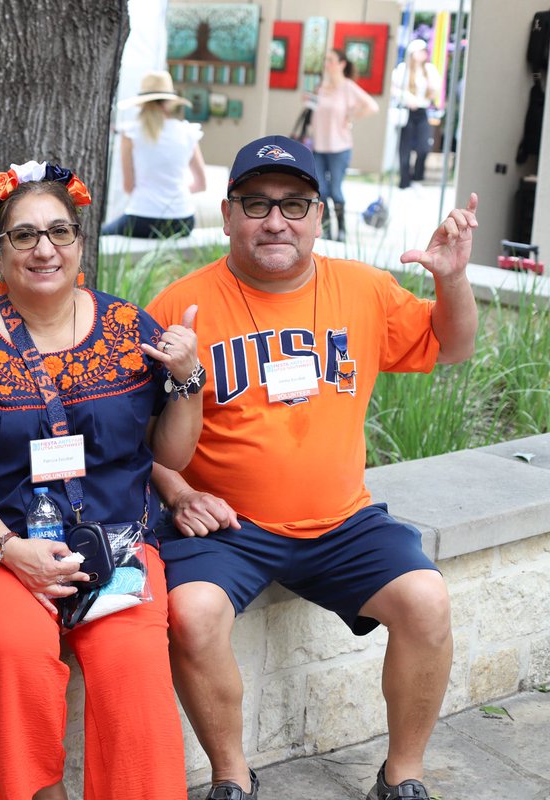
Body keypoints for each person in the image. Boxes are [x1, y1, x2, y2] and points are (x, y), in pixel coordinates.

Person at [146, 135, 478, 800]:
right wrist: (178, 491)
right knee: (192, 612)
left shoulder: (365, 289)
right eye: (258, 204)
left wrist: (452, 278)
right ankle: (233, 777)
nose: (276, 221)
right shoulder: (180, 304)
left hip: (342, 522)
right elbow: (134, 438)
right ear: (228, 212)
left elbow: (452, 346)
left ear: (319, 215)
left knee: (426, 600)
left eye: (294, 204)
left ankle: (401, 776)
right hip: (229, 526)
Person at [0, 160, 204, 799]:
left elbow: (172, 452)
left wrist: (187, 378)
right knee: (13, 654)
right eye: (24, 235)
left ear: (80, 242)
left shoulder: (132, 328)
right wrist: (8, 548)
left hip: (116, 542)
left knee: (133, 669)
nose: (45, 248)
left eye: (60, 231)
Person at [102, 71, 207, 239]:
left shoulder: (131, 133)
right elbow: (201, 184)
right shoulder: (187, 132)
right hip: (183, 220)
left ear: (141, 104)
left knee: (97, 235)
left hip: (142, 219)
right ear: (169, 103)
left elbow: (129, 186)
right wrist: (173, 193)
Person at [309, 49, 379, 241]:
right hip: (319, 148)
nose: (326, 64)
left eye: (330, 60)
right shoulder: (320, 87)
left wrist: (352, 116)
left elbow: (372, 106)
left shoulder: (348, 87)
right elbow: (312, 113)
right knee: (320, 189)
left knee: (335, 191)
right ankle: (325, 230)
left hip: (340, 148)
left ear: (342, 64)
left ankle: (341, 231)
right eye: (325, 60)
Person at [392, 39, 442, 189]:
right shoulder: (403, 69)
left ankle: (417, 176)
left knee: (424, 147)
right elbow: (394, 89)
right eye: (420, 51)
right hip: (407, 112)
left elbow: (435, 90)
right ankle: (404, 180)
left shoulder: (430, 70)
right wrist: (407, 98)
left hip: (422, 111)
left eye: (424, 51)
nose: (423, 54)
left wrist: (431, 91)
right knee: (404, 148)